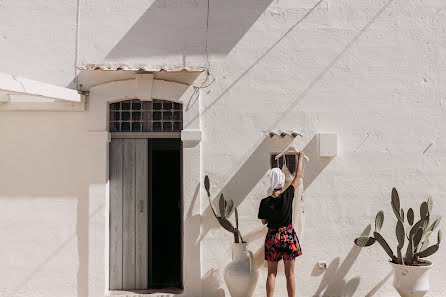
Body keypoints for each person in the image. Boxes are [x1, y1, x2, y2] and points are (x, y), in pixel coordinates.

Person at [258, 151, 305, 297]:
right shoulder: (288, 194)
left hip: (272, 237)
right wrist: (300, 158)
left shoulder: (264, 202)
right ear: (282, 180)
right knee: (289, 274)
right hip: (288, 236)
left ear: (271, 182)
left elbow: (264, 221)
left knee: (271, 274)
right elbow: (297, 177)